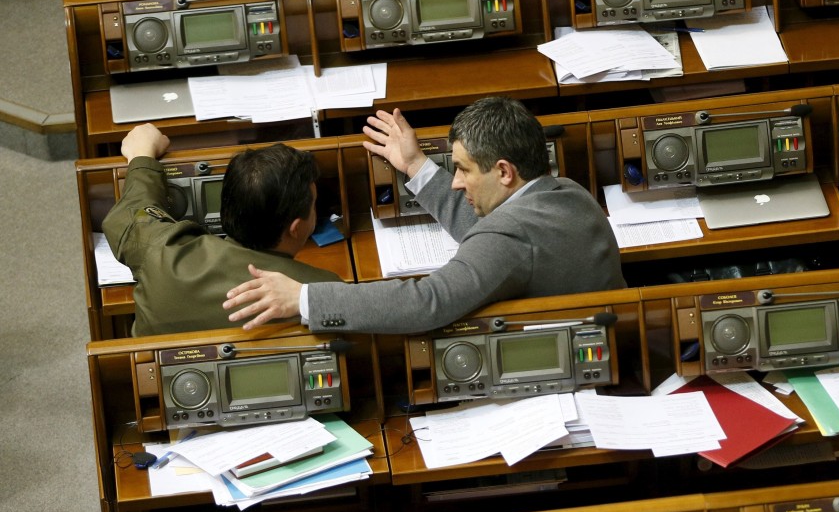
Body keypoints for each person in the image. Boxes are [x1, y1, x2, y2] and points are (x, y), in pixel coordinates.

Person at [223, 96, 626, 334]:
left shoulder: (509, 238)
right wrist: (416, 166)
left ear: (504, 171)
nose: (455, 183)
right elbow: (490, 236)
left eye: (464, 169)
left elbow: (427, 302)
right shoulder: (568, 192)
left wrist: (303, 298)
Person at [103, 123, 341, 336]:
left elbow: (128, 219)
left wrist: (142, 156)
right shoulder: (322, 293)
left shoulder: (163, 255)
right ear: (296, 228)